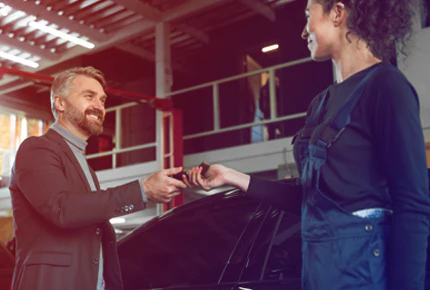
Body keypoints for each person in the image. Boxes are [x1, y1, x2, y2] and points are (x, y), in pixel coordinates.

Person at [185, 0, 430, 289]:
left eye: (307, 16)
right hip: (319, 275)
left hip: (364, 277)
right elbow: (307, 199)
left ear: (337, 13)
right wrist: (231, 177)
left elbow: (412, 207)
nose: (303, 32)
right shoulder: (320, 104)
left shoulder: (387, 87)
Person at [9, 67, 187, 290]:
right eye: (88, 96)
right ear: (60, 103)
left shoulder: (84, 165)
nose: (99, 106)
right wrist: (143, 191)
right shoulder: (36, 149)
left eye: (102, 100)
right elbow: (63, 209)